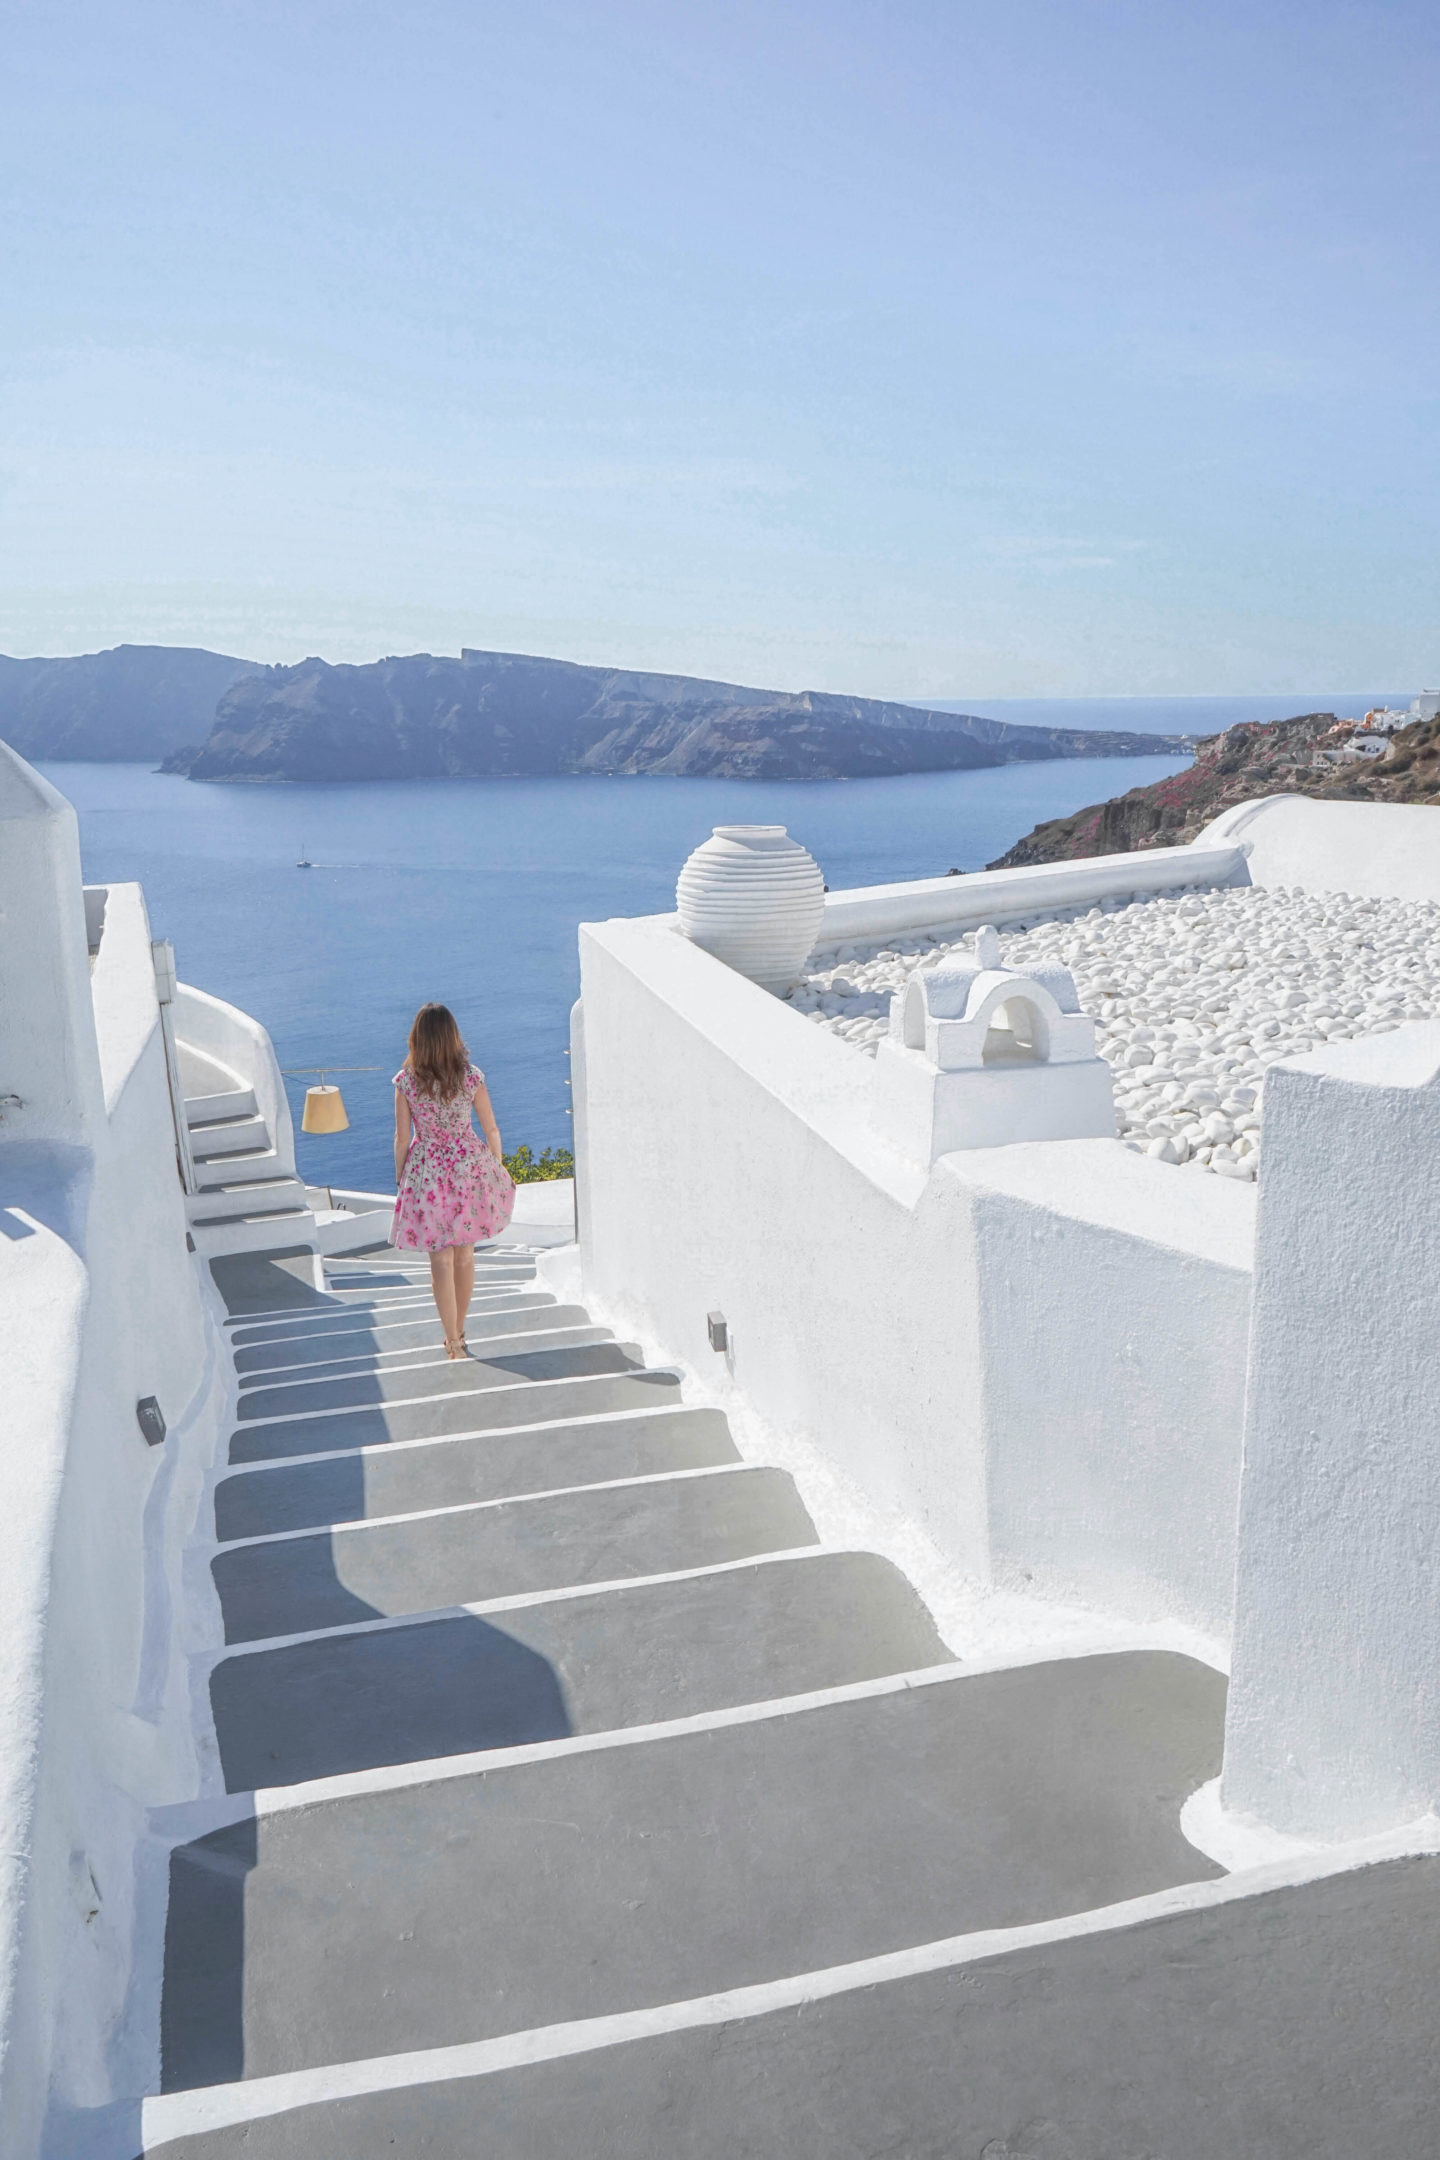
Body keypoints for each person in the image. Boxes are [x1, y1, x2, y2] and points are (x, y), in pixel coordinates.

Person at [390, 1002, 515, 1358]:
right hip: (467, 1167)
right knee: (464, 1257)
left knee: (440, 1262)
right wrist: (496, 1168)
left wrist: (401, 1176)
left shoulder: (406, 1082)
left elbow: (401, 1139)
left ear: (418, 1037)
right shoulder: (471, 1076)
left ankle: (453, 1341)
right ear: (452, 1036)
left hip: (427, 1172)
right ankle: (460, 1330)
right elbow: (491, 1128)